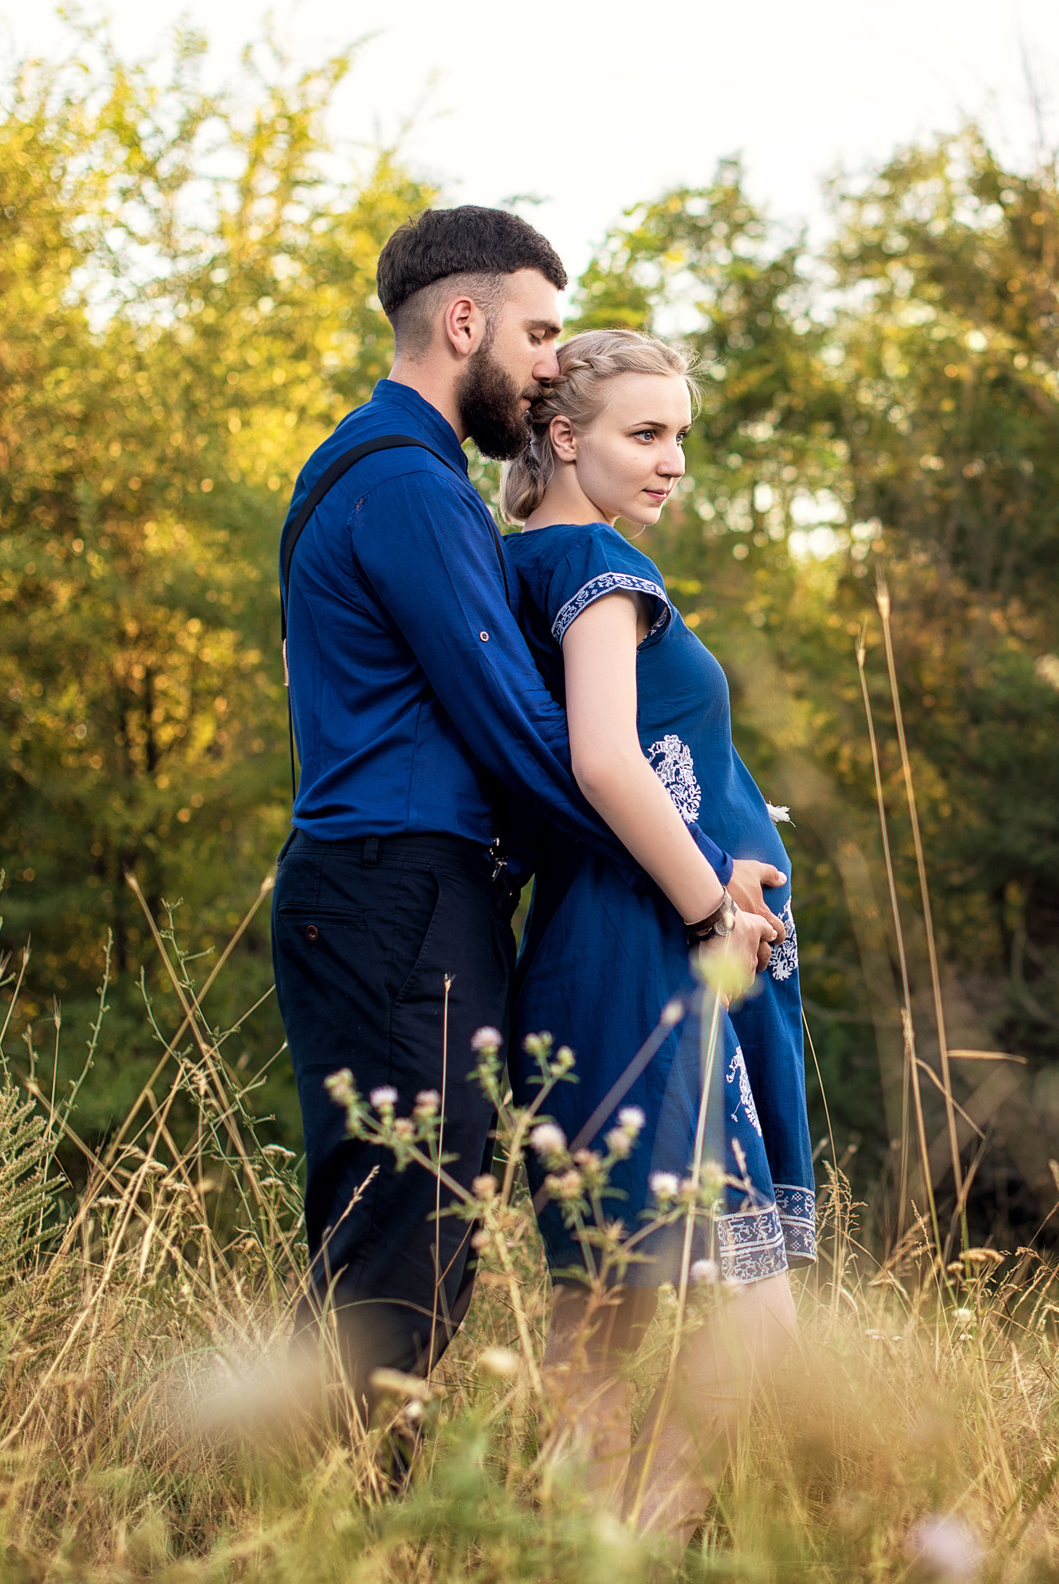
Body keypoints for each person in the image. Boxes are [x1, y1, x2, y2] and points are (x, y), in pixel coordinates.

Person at [269, 208, 785, 1445]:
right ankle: (316, 1509)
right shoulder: (405, 483)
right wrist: (698, 881)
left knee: (414, 1218)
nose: (553, 360)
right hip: (395, 885)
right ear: (464, 322)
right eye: (540, 330)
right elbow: (525, 730)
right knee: (405, 1226)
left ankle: (323, 1499)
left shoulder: (389, 473)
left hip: (394, 886)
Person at [499, 329, 815, 1536]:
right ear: (566, 437)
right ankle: (654, 1521)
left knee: (606, 1300)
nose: (672, 458)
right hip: (649, 951)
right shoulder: (599, 569)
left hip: (589, 946)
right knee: (755, 1311)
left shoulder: (526, 558)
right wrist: (711, 904)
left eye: (680, 432)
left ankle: (591, 1541)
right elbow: (605, 760)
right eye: (646, 432)